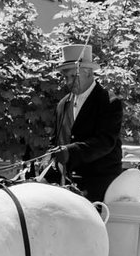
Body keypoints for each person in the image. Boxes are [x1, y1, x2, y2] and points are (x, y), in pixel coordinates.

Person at [52, 43, 125, 202]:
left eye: (73, 76)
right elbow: (56, 141)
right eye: (66, 77)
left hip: (99, 182)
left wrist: (69, 152)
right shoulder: (62, 105)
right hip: (67, 182)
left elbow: (105, 142)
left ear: (89, 73)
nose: (69, 82)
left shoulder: (109, 102)